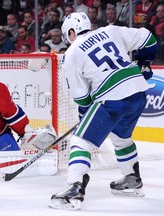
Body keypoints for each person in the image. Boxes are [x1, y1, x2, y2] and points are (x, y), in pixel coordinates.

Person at [49, 12, 157, 210]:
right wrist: (144, 63)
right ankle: (131, 179)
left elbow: (82, 98)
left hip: (112, 98)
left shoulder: (72, 53)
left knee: (81, 140)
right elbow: (148, 39)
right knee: (120, 137)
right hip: (138, 92)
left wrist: (85, 120)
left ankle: (75, 188)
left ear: (71, 32)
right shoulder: (110, 31)